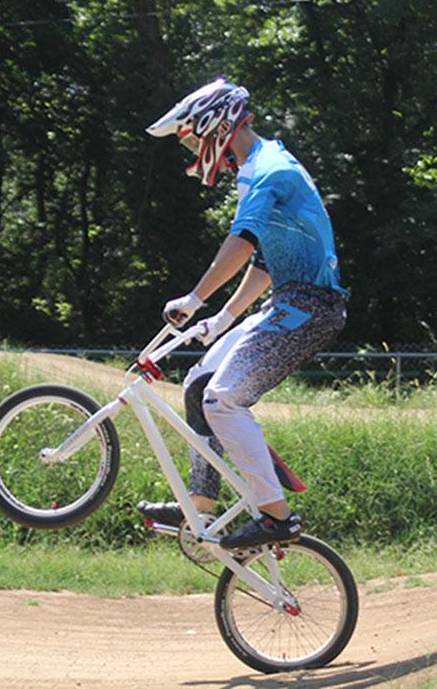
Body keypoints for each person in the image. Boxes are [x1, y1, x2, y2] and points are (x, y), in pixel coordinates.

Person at [137, 77, 347, 548]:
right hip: (289, 300)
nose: (190, 149)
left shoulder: (269, 172)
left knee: (223, 400)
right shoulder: (261, 166)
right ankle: (201, 506)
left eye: (191, 137)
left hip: (310, 307)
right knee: (196, 386)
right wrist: (225, 317)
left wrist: (194, 299)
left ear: (216, 128)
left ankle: (277, 517)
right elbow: (266, 262)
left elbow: (241, 243)